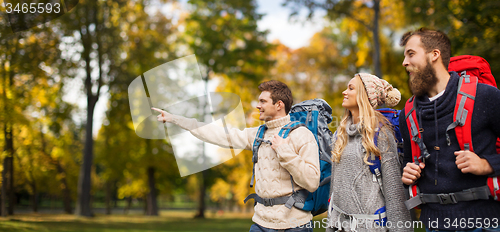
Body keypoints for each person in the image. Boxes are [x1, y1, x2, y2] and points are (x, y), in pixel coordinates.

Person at [153, 80, 320, 232]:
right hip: (261, 223)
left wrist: (284, 151)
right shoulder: (257, 134)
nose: (257, 105)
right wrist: (176, 119)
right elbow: (218, 133)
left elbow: (312, 182)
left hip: (295, 225)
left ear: (279, 105)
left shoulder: (302, 135)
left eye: (263, 101)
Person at [399, 28, 500, 231]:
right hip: (433, 224)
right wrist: (407, 173)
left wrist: (487, 164)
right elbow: (411, 164)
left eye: (411, 54)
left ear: (434, 55)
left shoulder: (486, 97)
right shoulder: (407, 114)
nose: (404, 63)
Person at [325, 73, 411, 232]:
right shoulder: (340, 134)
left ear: (365, 96)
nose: (344, 92)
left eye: (351, 88)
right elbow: (335, 188)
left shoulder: (381, 135)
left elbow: (394, 194)